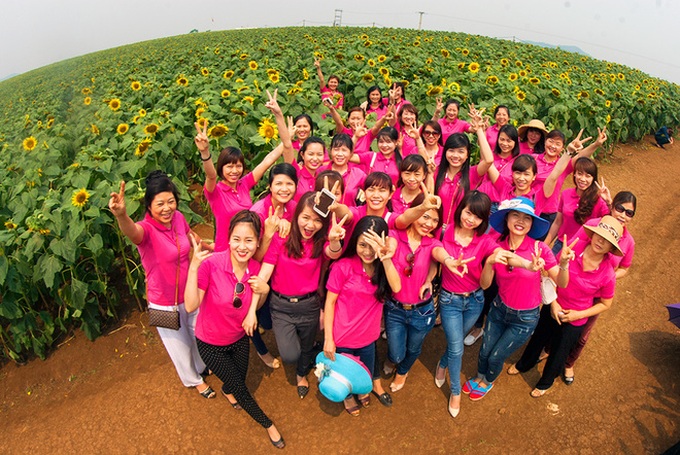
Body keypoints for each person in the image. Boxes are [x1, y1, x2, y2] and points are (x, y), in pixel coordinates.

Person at [108, 172, 214, 399]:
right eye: (160, 204)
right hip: (164, 301)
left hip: (191, 291)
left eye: (171, 201)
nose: (167, 208)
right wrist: (121, 215)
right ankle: (194, 380)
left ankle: (202, 366)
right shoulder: (145, 230)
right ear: (148, 206)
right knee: (179, 345)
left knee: (199, 334)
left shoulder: (178, 219)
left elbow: (191, 237)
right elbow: (131, 232)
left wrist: (211, 248)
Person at [184, 210, 285, 449]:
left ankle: (228, 390)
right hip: (210, 343)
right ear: (228, 239)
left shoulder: (256, 268)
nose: (242, 246)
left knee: (237, 377)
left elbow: (256, 305)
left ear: (257, 242)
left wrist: (264, 291)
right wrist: (193, 267)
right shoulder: (211, 265)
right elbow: (190, 305)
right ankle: (268, 425)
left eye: (249, 241)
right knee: (242, 388)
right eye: (237, 239)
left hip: (239, 338)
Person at [463, 196, 567, 401]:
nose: (521, 221)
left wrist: (563, 264)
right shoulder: (494, 245)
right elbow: (485, 285)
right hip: (499, 309)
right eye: (515, 215)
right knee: (484, 351)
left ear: (532, 223)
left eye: (527, 218)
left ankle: (488, 381)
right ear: (506, 219)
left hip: (525, 318)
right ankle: (480, 376)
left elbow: (562, 283)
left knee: (496, 356)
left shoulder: (540, 249)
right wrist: (490, 263)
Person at [509, 215, 622, 397]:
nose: (601, 241)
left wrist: (579, 315)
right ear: (592, 235)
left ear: (611, 248)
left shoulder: (608, 273)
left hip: (575, 318)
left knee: (560, 352)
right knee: (539, 337)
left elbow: (606, 303)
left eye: (607, 241)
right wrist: (553, 303)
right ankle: (524, 363)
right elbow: (551, 273)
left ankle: (545, 382)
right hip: (554, 302)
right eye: (599, 235)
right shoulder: (573, 249)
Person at [256, 192, 345, 399]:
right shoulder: (282, 238)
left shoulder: (319, 243)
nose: (310, 225)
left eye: (317, 220)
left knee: (305, 346)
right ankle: (304, 358)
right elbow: (265, 272)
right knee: (289, 354)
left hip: (309, 305)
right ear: (295, 216)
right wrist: (251, 306)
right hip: (280, 306)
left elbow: (333, 253)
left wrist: (333, 240)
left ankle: (301, 374)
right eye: (305, 217)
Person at [323, 216, 401, 416]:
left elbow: (397, 287)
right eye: (362, 245)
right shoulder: (343, 267)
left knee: (366, 365)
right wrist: (328, 340)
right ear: (354, 242)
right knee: (344, 370)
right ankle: (348, 395)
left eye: (373, 246)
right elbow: (330, 302)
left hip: (368, 336)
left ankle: (369, 387)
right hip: (342, 335)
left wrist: (385, 259)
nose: (367, 252)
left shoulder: (384, 268)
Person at [558, 190, 637, 382]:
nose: (623, 215)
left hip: (597, 292)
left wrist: (606, 280)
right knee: (558, 317)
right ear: (612, 206)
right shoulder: (594, 225)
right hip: (574, 283)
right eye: (620, 208)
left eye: (629, 213)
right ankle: (550, 349)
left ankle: (569, 363)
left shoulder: (629, 242)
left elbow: (625, 268)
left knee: (583, 332)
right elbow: (574, 247)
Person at [195, 90, 288, 252]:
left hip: (247, 248)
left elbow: (267, 161)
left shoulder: (243, 184)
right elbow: (210, 175)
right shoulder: (215, 192)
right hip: (226, 251)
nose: (234, 170)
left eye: (238, 166)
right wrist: (205, 153)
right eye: (229, 166)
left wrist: (287, 138)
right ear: (221, 168)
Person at [433, 190, 499, 417]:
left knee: (456, 343)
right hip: (450, 300)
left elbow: (502, 254)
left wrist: (525, 263)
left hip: (475, 300)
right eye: (468, 212)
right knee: (457, 347)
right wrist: (448, 260)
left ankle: (442, 364)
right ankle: (455, 392)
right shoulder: (445, 232)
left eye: (477, 217)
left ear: (483, 220)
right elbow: (434, 250)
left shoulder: (485, 240)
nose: (470, 219)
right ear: (461, 209)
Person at [382, 193, 446, 393]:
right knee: (396, 351)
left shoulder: (433, 243)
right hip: (395, 309)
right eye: (425, 216)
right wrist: (387, 252)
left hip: (422, 310)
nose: (429, 224)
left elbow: (437, 258)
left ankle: (402, 372)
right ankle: (395, 359)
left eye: (435, 220)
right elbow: (389, 246)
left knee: (413, 348)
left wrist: (445, 265)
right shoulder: (394, 236)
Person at [434, 114, 494, 231]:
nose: (455, 156)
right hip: (434, 230)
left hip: (458, 233)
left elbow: (488, 160)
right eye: (451, 151)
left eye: (461, 152)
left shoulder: (472, 174)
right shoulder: (435, 172)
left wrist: (479, 131)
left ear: (467, 155)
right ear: (445, 152)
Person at [545, 157, 609, 254]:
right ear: (574, 174)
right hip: (561, 244)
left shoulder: (599, 201)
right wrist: (545, 245)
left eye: (588, 176)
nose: (582, 179)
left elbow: (611, 222)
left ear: (593, 179)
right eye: (579, 174)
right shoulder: (566, 194)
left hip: (584, 250)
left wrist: (608, 202)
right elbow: (557, 222)